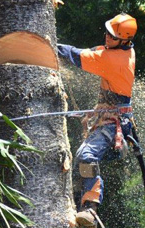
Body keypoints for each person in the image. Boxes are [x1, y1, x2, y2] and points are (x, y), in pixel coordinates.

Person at [57, 13, 137, 227]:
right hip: (114, 121)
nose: (107, 38)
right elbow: (97, 51)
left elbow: (75, 55)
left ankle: (90, 208)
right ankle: (79, 197)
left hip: (114, 124)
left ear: (124, 39)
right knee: (81, 158)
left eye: (112, 36)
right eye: (107, 33)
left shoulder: (112, 60)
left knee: (86, 155)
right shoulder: (124, 50)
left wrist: (48, 45)